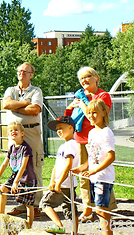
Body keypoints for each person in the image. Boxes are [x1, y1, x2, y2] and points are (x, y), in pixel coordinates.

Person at [64, 66, 116, 222]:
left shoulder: (103, 95)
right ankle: (88, 209)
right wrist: (71, 107)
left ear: (96, 77)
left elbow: (97, 115)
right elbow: (70, 117)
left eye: (87, 77)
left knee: (101, 175)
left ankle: (105, 209)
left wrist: (83, 105)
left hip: (97, 139)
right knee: (84, 176)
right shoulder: (80, 96)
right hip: (81, 138)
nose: (83, 81)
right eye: (81, 79)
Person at [2, 62, 44, 217]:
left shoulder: (36, 91)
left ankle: (35, 205)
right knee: (17, 166)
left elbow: (35, 109)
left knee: (33, 166)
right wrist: (25, 104)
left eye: (26, 71)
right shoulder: (10, 90)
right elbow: (6, 103)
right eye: (20, 70)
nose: (22, 73)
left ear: (31, 74)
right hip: (14, 134)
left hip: (31, 132)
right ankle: (21, 204)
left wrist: (16, 107)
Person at [72, 99, 115, 235]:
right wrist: (81, 168)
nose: (91, 116)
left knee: (101, 210)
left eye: (94, 112)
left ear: (104, 112)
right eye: (89, 113)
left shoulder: (106, 132)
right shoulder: (91, 133)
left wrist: (94, 171)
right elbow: (92, 157)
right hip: (94, 177)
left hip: (103, 178)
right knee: (99, 209)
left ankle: (107, 232)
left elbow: (111, 156)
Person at [0, 121, 37, 228]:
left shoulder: (26, 148)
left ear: (22, 133)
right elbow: (4, 163)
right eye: (11, 130)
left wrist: (16, 182)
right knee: (3, 190)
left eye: (16, 130)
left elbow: (23, 166)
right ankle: (1, 216)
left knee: (28, 204)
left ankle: (29, 226)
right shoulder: (12, 147)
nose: (13, 132)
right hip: (15, 176)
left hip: (27, 178)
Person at [40, 116, 79, 235]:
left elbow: (68, 165)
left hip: (65, 184)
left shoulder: (72, 144)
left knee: (45, 203)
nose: (58, 131)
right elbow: (56, 166)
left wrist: (59, 183)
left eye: (61, 127)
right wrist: (52, 181)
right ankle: (74, 232)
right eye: (57, 129)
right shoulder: (63, 146)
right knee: (70, 208)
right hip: (64, 183)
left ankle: (59, 225)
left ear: (71, 127)